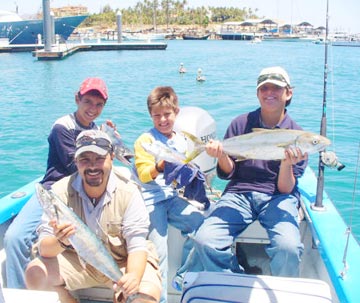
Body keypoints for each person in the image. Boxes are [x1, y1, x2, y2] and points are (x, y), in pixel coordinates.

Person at [188, 66, 307, 278]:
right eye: (264, 88)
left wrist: (287, 164)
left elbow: (285, 188)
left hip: (278, 198)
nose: (269, 93)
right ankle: (236, 279)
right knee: (204, 240)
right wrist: (222, 155)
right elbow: (229, 173)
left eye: (276, 88)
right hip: (239, 193)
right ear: (257, 93)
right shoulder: (241, 123)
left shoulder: (297, 136)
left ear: (289, 93)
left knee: (288, 248)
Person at [25, 130, 161, 303]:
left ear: (112, 157)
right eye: (85, 159)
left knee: (145, 295)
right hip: (79, 262)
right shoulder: (59, 192)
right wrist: (61, 241)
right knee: (35, 274)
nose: (92, 166)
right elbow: (45, 249)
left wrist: (132, 277)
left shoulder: (129, 191)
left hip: (123, 260)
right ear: (76, 161)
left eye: (99, 158)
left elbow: (137, 245)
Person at [4, 77, 110, 289]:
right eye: (88, 101)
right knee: (14, 238)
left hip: (83, 192)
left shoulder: (96, 129)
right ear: (77, 99)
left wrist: (107, 137)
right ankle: (20, 293)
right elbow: (77, 166)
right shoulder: (63, 127)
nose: (93, 108)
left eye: (99, 105)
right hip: (53, 192)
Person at [133, 86, 205, 302]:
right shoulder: (145, 141)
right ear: (150, 115)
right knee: (159, 255)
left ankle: (183, 275)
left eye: (167, 114)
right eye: (157, 115)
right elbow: (144, 175)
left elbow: (182, 172)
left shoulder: (182, 140)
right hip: (150, 201)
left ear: (176, 112)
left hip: (172, 197)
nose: (163, 119)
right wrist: (160, 166)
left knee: (203, 227)